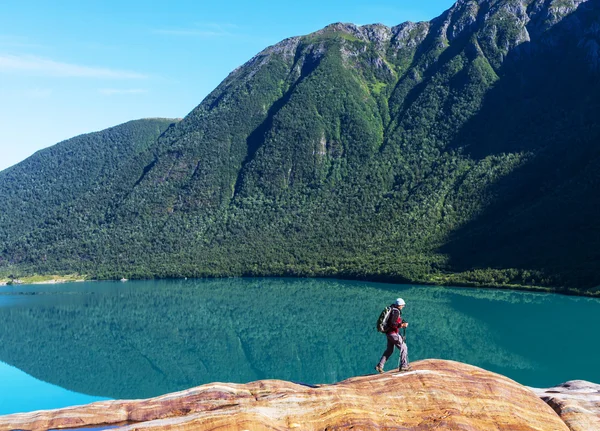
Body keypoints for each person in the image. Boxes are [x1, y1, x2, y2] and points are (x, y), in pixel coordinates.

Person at [375, 298, 411, 373]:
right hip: (393, 334)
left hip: (389, 333)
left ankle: (380, 366)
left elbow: (391, 323)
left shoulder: (392, 309)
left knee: (389, 350)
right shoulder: (396, 312)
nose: (403, 307)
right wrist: (401, 325)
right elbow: (392, 323)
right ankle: (404, 366)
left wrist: (400, 325)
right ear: (399, 305)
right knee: (404, 347)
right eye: (402, 305)